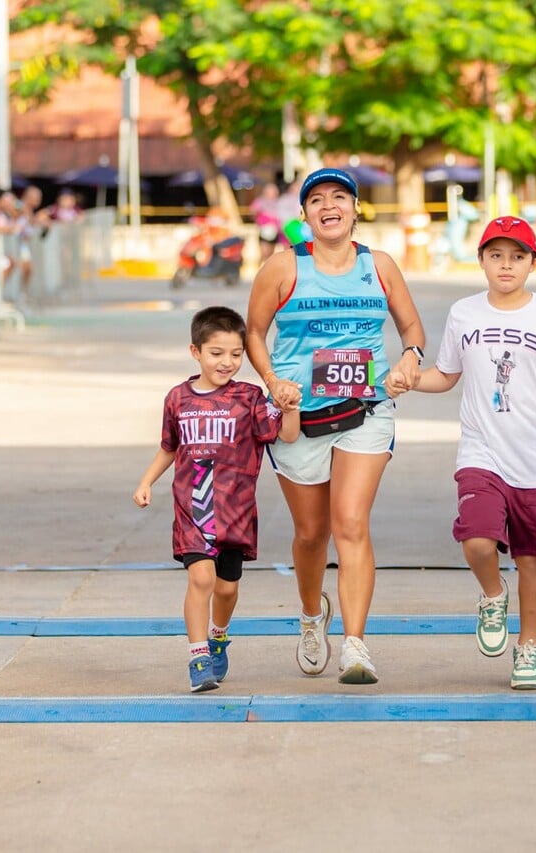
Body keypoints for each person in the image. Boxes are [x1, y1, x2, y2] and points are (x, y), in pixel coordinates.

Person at [386, 216, 536, 689]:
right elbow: (446, 374)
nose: (507, 265)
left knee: (533, 560)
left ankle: (529, 647)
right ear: (481, 260)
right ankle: (492, 594)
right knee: (477, 540)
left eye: (517, 257)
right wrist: (409, 380)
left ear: (533, 264)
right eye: (496, 256)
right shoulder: (465, 313)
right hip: (481, 451)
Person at [245, 167, 425, 685]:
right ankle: (310, 617)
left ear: (355, 208)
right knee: (311, 534)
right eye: (318, 199)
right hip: (299, 417)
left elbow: (411, 327)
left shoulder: (379, 265)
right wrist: (272, 380)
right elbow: (254, 331)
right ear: (304, 214)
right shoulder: (283, 266)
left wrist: (410, 356)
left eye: (340, 197)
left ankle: (355, 644)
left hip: (365, 410)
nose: (330, 206)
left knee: (350, 523)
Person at [133, 306, 301, 692]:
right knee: (201, 578)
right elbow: (169, 447)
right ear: (195, 352)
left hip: (235, 512)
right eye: (217, 353)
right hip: (192, 509)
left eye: (236, 354)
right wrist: (146, 481)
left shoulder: (250, 397)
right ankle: (198, 658)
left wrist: (291, 407)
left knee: (226, 588)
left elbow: (286, 435)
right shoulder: (178, 398)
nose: (227, 362)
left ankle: (218, 637)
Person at [250, 182, 283, 262]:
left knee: (271, 254)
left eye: (274, 192)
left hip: (276, 230)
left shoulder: (279, 202)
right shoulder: (260, 201)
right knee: (264, 253)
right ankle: (261, 268)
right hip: (265, 230)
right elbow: (252, 213)